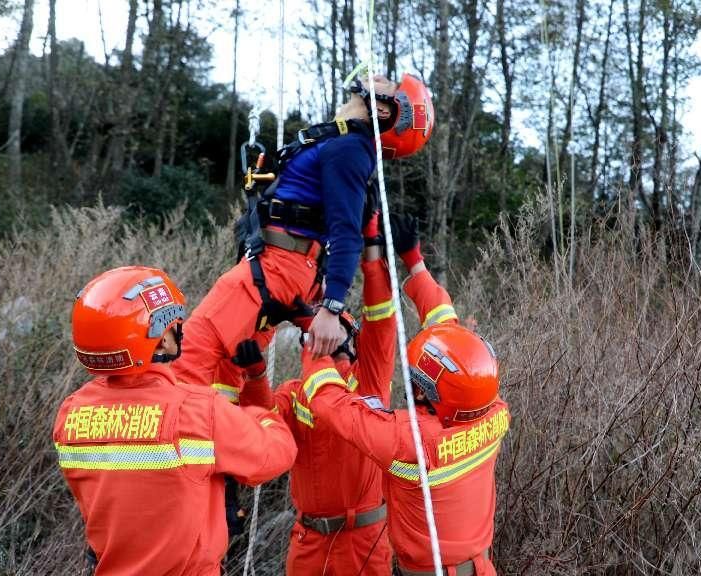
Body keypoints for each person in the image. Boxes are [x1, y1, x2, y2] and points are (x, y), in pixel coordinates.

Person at [172, 73, 434, 390]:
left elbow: (346, 233)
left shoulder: (350, 148)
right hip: (279, 265)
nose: (375, 75)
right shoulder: (338, 141)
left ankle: (170, 432)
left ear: (383, 110)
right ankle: (221, 430)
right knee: (227, 370)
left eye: (387, 84)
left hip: (277, 267)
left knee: (186, 356)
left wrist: (332, 307)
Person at [292, 216, 509, 576]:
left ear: (433, 395)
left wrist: (315, 348)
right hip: (480, 567)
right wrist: (414, 262)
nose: (414, 387)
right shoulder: (491, 408)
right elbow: (448, 332)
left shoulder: (408, 440)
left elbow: (331, 404)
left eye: (419, 383)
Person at [53, 266, 297, 575]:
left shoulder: (70, 414)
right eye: (173, 324)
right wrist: (260, 408)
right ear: (162, 341)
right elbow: (276, 454)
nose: (178, 330)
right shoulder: (198, 410)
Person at [260, 210, 397, 575]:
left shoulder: (369, 379)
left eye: (339, 333)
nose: (329, 339)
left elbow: (381, 318)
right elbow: (257, 423)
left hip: (364, 541)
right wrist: (256, 369)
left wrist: (372, 248)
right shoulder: (295, 392)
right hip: (309, 543)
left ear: (354, 343)